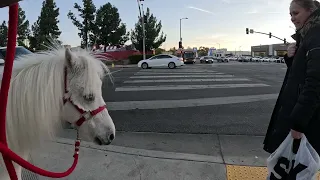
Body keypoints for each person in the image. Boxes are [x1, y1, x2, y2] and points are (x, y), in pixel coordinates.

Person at [263, 0, 320, 155]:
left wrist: (298, 124)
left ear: (311, 11)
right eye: (290, 14)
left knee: (292, 168)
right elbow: (300, 75)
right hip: (297, 115)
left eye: (296, 13)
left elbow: (315, 83)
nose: (292, 18)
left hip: (305, 122)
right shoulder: (307, 36)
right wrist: (291, 58)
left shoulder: (315, 36)